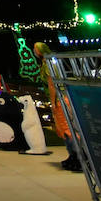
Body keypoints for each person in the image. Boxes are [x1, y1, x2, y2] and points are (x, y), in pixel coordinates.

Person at [33, 41, 81, 171]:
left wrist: (53, 102)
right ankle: (73, 155)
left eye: (35, 49)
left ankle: (78, 156)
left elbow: (51, 84)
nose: (34, 51)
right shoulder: (49, 62)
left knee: (67, 128)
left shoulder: (48, 64)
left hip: (60, 99)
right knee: (64, 129)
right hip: (61, 98)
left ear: (40, 50)